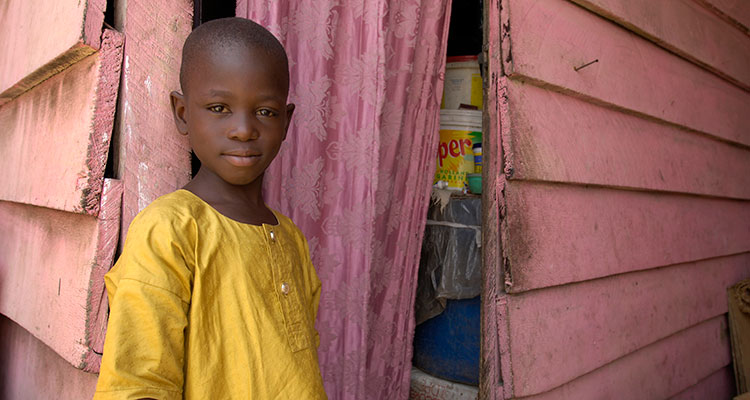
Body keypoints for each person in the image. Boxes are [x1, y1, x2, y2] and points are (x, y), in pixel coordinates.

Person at [93, 18, 326, 399]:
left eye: (265, 112)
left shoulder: (291, 239)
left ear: (287, 121)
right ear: (183, 113)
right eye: (219, 107)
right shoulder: (169, 230)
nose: (243, 130)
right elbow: (138, 384)